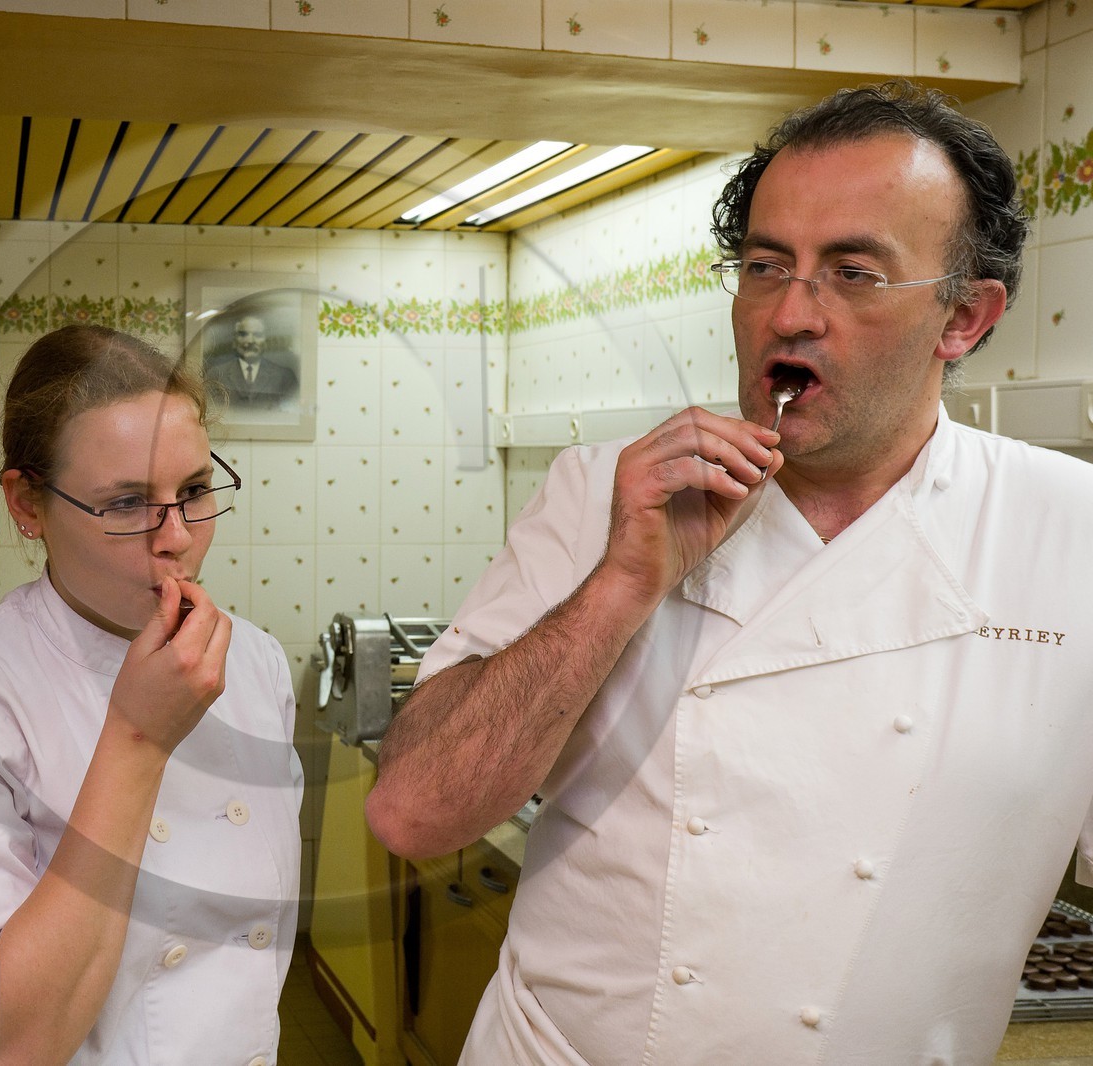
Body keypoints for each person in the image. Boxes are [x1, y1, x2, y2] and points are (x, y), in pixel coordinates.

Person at [367, 80, 1093, 1065]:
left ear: (962, 319)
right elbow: (414, 812)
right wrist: (622, 582)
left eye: (851, 272)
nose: (789, 314)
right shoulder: (599, 492)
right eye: (765, 264)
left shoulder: (1065, 531)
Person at [0, 325, 302, 1066]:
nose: (177, 539)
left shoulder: (254, 662)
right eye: (127, 504)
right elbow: (5, 1046)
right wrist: (137, 739)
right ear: (28, 505)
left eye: (193, 492)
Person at [203, 313, 299, 409]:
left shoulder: (285, 377)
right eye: (243, 334)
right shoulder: (216, 376)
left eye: (257, 335)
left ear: (265, 342)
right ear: (234, 342)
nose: (250, 341)